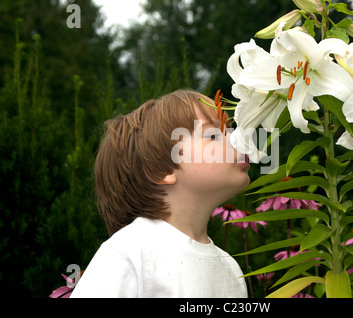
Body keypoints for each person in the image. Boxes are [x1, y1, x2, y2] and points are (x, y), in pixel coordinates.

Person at [70, 89, 250, 298]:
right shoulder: (130, 253)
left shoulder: (230, 267)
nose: (237, 138)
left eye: (229, 130)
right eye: (213, 135)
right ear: (162, 170)